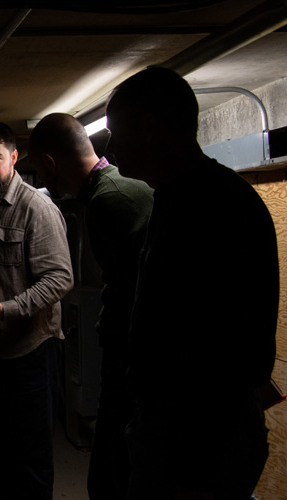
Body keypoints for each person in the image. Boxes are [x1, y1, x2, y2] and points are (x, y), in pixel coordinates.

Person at [105, 66, 278, 499]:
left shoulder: (210, 208)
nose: (109, 148)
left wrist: (187, 467)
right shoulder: (182, 199)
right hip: (179, 437)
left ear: (148, 128)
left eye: (114, 132)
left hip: (196, 446)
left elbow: (221, 350)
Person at [28, 112, 153, 500]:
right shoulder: (119, 189)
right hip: (139, 367)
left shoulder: (107, 201)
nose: (42, 182)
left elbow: (137, 299)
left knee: (112, 481)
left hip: (138, 370)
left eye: (40, 171)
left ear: (49, 163)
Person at [0, 120, 74, 499]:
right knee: (3, 453)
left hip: (28, 354)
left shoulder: (37, 208)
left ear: (14, 158)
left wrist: (7, 309)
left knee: (30, 459)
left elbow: (59, 278)